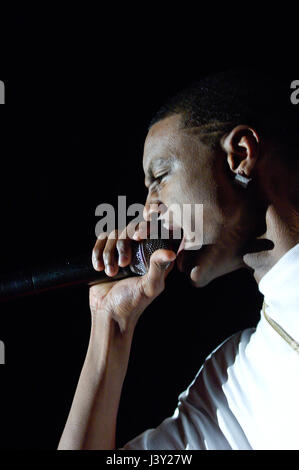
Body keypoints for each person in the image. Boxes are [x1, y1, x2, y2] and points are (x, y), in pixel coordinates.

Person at [58, 69, 299, 450]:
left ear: (240, 155)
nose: (148, 211)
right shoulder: (231, 387)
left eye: (160, 177)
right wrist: (111, 322)